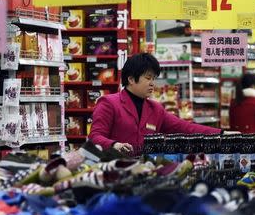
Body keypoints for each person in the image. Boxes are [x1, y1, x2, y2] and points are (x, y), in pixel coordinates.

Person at [89, 53, 220, 154]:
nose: (152, 83)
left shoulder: (155, 109)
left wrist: (221, 133)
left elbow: (186, 128)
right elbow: (95, 136)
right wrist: (114, 145)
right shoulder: (109, 103)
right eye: (147, 78)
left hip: (144, 173)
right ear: (131, 79)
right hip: (112, 171)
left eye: (153, 78)